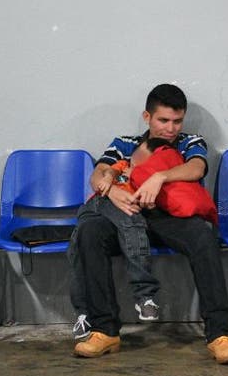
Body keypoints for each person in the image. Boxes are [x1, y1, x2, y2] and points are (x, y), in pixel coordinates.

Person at [69, 84, 228, 364]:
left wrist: (159, 176)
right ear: (147, 117)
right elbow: (99, 173)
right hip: (128, 219)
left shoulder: (190, 142)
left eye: (177, 121)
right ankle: (105, 331)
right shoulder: (125, 143)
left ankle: (219, 335)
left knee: (203, 235)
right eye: (163, 120)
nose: (171, 128)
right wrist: (111, 190)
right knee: (90, 231)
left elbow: (196, 168)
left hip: (171, 219)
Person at [67, 137, 167, 336]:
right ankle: (143, 295)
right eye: (137, 158)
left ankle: (86, 314)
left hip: (121, 211)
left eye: (144, 162)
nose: (137, 164)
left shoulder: (148, 178)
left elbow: (147, 202)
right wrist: (109, 178)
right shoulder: (123, 166)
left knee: (78, 244)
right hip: (98, 203)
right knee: (131, 222)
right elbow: (109, 170)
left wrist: (147, 201)